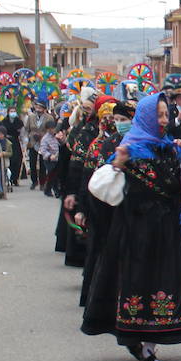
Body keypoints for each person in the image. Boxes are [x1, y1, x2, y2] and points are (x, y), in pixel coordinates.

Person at [82, 93, 181, 361]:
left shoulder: (172, 148)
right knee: (138, 282)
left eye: (165, 114)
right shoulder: (129, 149)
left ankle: (150, 345)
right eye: (158, 115)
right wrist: (117, 164)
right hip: (135, 231)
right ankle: (138, 340)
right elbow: (100, 189)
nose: (164, 120)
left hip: (167, 231)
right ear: (146, 117)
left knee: (165, 281)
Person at [76, 98, 132, 307]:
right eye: (115, 119)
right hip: (105, 209)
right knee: (102, 253)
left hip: (131, 209)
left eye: (122, 118)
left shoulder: (144, 143)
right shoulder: (106, 144)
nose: (117, 122)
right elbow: (91, 177)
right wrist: (83, 207)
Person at [55, 89, 97, 264]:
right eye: (84, 108)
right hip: (76, 176)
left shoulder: (90, 129)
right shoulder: (82, 129)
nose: (86, 112)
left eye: (90, 108)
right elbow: (74, 157)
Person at [23, 103, 53, 191]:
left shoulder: (49, 117)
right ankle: (34, 181)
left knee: (43, 163)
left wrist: (42, 136)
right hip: (33, 141)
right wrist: (27, 138)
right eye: (37, 107)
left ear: (44, 109)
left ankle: (42, 182)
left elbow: (51, 130)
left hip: (44, 142)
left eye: (40, 107)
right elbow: (27, 129)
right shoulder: (31, 117)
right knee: (32, 162)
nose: (38, 109)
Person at [39, 122, 61, 196]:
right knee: (52, 174)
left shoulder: (57, 136)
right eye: (50, 129)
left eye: (53, 128)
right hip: (49, 159)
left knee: (56, 175)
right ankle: (55, 190)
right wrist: (49, 156)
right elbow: (43, 150)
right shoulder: (45, 139)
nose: (52, 130)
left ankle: (48, 189)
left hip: (57, 158)